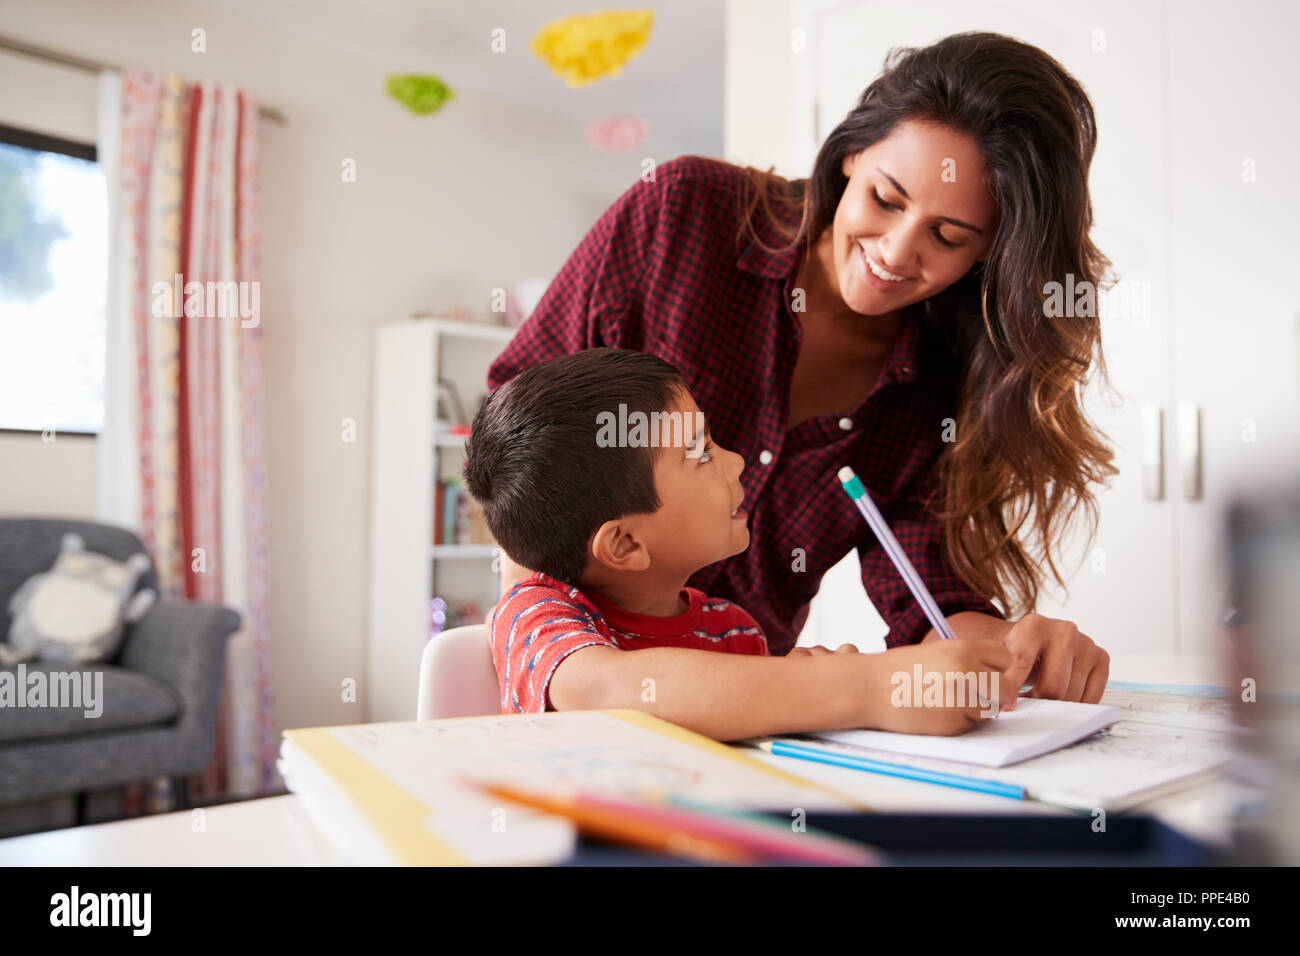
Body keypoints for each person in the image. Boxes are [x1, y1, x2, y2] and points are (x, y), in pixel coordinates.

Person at [486, 32, 1117, 709]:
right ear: (851, 155)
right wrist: (539, 643)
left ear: (991, 255)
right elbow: (523, 432)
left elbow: (926, 595)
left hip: (755, 714)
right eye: (886, 198)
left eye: (949, 236)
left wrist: (1001, 651)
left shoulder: (942, 378)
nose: (896, 252)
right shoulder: (681, 215)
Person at [464, 347, 1013, 741]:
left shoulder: (732, 630)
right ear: (626, 543)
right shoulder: (536, 614)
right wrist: (865, 687)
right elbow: (613, 690)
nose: (736, 461)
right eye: (700, 454)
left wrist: (803, 689)